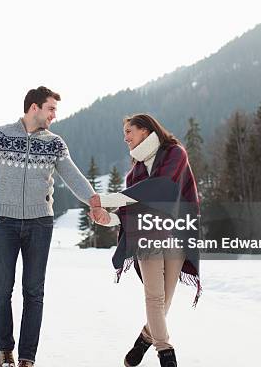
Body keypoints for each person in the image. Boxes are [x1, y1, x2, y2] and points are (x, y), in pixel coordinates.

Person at [0, 86, 105, 367]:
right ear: (34, 108)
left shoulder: (55, 143)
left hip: (40, 223)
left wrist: (94, 201)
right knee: (1, 290)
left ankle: (27, 358)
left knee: (34, 292)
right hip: (4, 222)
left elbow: (73, 176)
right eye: (51, 108)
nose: (54, 115)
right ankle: (5, 350)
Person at [88, 113, 201, 367]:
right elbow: (128, 213)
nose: (125, 138)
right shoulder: (133, 175)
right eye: (124, 133)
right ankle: (165, 352)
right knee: (155, 298)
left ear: (145, 130)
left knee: (165, 301)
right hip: (146, 237)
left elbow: (161, 188)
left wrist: (108, 199)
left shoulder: (175, 154)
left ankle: (144, 339)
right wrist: (107, 218)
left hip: (176, 234)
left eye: (129, 131)